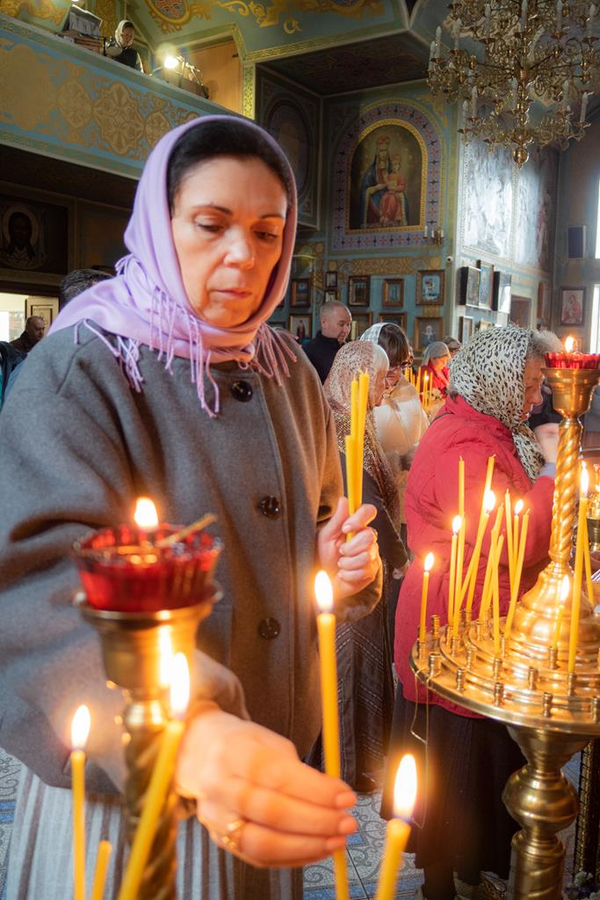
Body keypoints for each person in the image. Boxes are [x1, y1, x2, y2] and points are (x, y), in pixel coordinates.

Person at [0, 116, 382, 899]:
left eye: (268, 233)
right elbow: (36, 587)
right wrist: (188, 734)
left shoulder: (286, 372)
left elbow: (309, 524)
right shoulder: (88, 366)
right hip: (131, 777)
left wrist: (340, 562)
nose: (244, 256)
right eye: (212, 225)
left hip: (265, 759)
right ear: (158, 221)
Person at [382, 326, 560, 900]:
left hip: (483, 615)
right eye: (529, 385)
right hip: (451, 621)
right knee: (450, 763)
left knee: (476, 762)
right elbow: (514, 535)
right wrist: (554, 475)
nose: (535, 399)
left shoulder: (493, 429)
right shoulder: (461, 440)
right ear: (498, 379)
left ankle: (463, 869)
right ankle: (441, 877)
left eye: (538, 386)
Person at [309, 341, 406, 793]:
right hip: (346, 569)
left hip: (362, 565)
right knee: (345, 670)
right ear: (356, 376)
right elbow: (361, 499)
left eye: (389, 375)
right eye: (381, 376)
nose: (389, 384)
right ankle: (343, 767)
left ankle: (356, 759)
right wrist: (401, 555)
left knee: (359, 668)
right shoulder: (341, 423)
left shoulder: (354, 419)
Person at [302, 300, 352, 382]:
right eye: (341, 324)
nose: (346, 330)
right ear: (324, 323)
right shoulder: (307, 352)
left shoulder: (351, 350)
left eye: (348, 324)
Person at [378, 153, 407, 226]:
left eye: (396, 165)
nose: (394, 167)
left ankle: (388, 216)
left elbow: (402, 186)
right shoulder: (390, 176)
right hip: (389, 193)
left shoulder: (401, 176)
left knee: (392, 199)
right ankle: (383, 215)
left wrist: (395, 188)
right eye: (393, 165)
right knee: (384, 198)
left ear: (399, 166)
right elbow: (387, 183)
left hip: (396, 194)